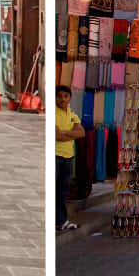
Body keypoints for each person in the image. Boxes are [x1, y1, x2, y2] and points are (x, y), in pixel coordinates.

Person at [54, 86, 84, 232]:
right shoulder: (54, 113)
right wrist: (71, 133)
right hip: (56, 155)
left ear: (70, 98)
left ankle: (60, 221)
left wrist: (64, 133)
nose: (63, 99)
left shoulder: (73, 115)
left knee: (62, 190)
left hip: (68, 156)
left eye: (66, 96)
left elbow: (82, 133)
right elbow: (56, 136)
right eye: (60, 96)